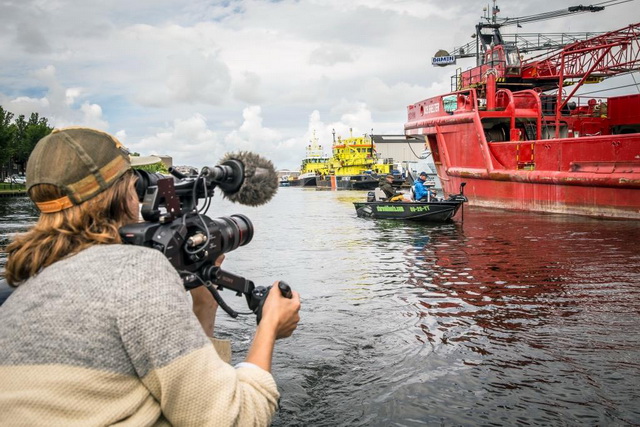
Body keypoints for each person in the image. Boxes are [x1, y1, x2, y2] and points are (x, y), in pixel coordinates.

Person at [0, 127, 301, 426]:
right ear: (122, 194)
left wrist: (203, 304)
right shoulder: (133, 272)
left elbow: (194, 388)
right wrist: (271, 325)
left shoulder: (23, 286)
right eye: (136, 185)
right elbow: (235, 418)